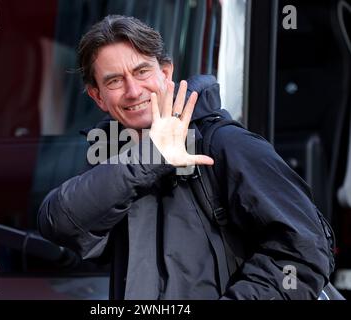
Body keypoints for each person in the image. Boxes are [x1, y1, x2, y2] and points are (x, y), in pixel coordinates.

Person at [38, 15, 332, 300]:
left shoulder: (227, 143)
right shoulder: (113, 156)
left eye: (142, 72)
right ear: (97, 97)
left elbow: (305, 251)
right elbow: (58, 222)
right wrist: (152, 155)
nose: (132, 90)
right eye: (114, 81)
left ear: (165, 73)